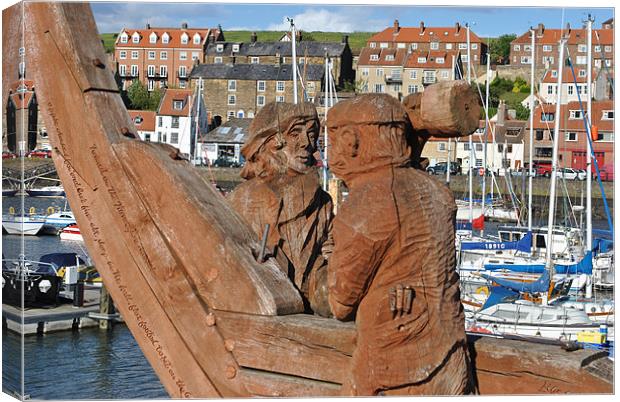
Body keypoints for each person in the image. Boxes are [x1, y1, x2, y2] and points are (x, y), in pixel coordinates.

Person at [326, 94, 472, 395]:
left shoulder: (369, 200)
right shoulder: (436, 191)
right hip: (452, 353)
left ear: (351, 141)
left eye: (332, 138)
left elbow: (340, 303)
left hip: (396, 370)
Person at [228, 101, 333, 316]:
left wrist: (334, 256)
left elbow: (330, 248)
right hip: (259, 305)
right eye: (296, 133)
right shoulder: (244, 197)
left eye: (312, 134)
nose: (307, 143)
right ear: (271, 141)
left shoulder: (323, 201)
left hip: (310, 306)